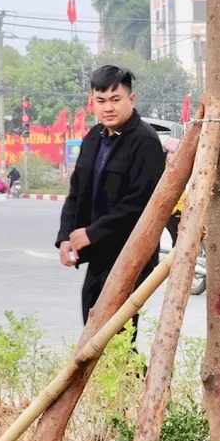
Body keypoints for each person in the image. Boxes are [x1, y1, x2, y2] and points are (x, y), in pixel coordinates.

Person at [56, 65, 166, 325]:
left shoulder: (145, 141)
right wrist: (64, 237)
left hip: (131, 251)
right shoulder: (94, 137)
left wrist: (91, 233)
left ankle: (127, 368)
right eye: (101, 101)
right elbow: (76, 193)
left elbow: (139, 204)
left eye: (115, 100)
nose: (108, 108)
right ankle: (117, 368)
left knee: (116, 328)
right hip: (99, 251)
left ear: (131, 99)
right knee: (92, 319)